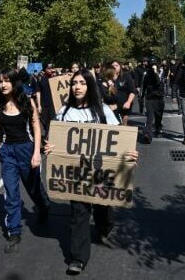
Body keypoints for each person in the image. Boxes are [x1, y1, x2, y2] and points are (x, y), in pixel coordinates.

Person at [44, 69, 138, 276]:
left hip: (101, 172)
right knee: (78, 214)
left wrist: (129, 154)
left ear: (90, 86)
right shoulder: (64, 113)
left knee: (103, 206)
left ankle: (105, 225)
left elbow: (119, 140)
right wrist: (50, 149)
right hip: (76, 174)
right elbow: (57, 141)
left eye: (82, 83)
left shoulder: (102, 111)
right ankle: (78, 258)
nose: (77, 87)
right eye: (74, 83)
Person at [0, 66, 50, 254]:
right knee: (11, 192)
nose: (3, 84)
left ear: (14, 82)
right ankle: (14, 231)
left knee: (33, 187)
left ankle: (43, 205)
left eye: (6, 80)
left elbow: (36, 127)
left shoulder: (26, 102)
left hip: (26, 149)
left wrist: (36, 153)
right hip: (8, 153)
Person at [142, 57, 165, 143]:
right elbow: (144, 85)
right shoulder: (147, 73)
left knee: (158, 117)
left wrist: (155, 72)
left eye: (154, 64)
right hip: (150, 98)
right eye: (151, 65)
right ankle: (148, 135)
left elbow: (158, 82)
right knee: (149, 117)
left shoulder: (161, 72)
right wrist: (142, 96)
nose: (152, 66)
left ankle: (158, 129)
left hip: (159, 98)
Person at [110, 60, 136, 125]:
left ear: (120, 67)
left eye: (116, 65)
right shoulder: (107, 78)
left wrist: (128, 102)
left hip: (124, 105)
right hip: (112, 105)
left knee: (123, 123)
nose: (114, 67)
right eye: (113, 66)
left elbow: (132, 91)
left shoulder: (126, 76)